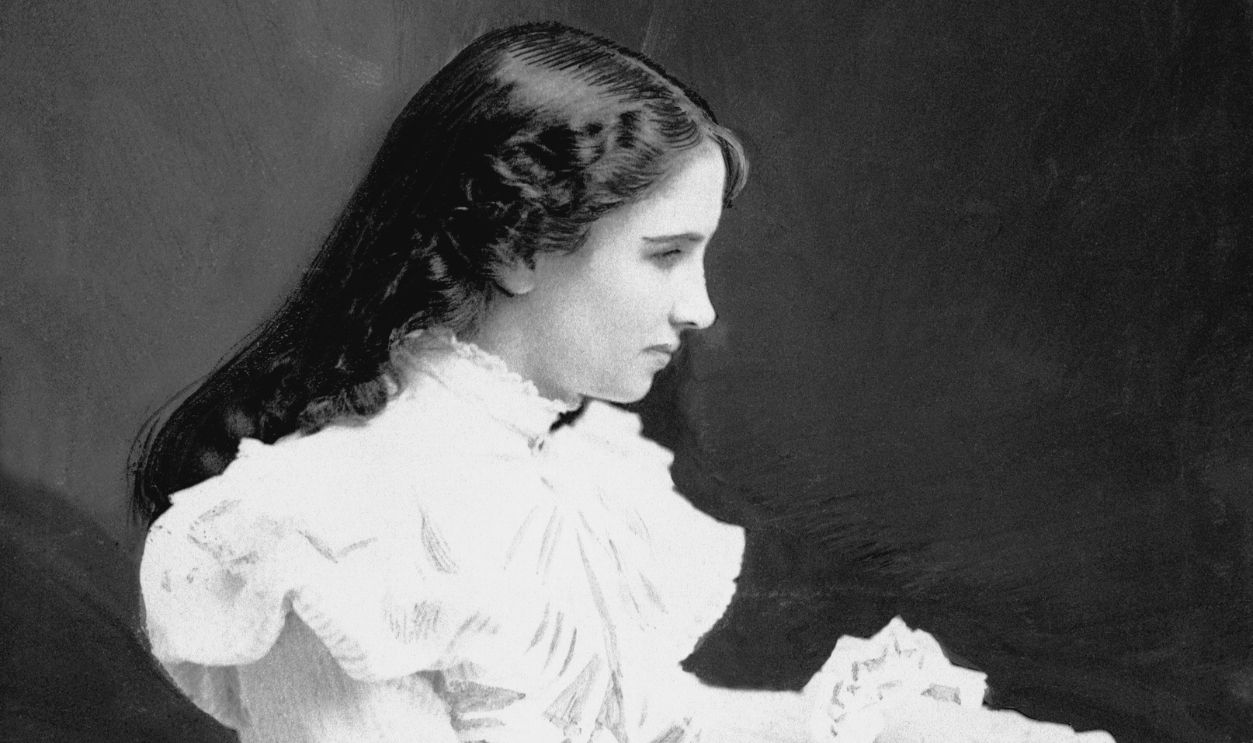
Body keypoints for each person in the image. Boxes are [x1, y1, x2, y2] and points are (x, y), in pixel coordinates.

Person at [133, 20, 1113, 743]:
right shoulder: (334, 524)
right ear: (514, 244)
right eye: (664, 255)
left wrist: (882, 727)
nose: (701, 310)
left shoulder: (554, 481)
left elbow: (647, 721)